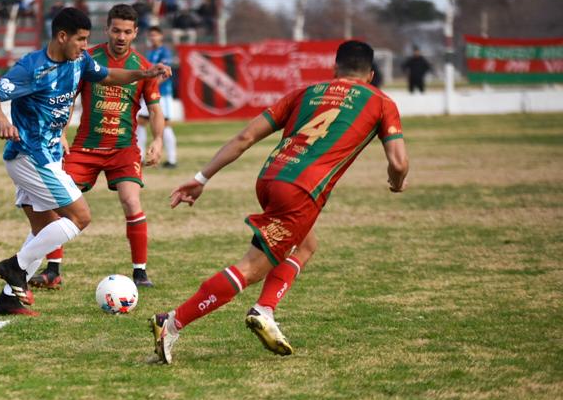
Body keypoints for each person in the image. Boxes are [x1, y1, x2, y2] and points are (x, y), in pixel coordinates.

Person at [150, 40, 409, 364]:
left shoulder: (306, 92)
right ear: (370, 75)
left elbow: (246, 137)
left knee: (305, 245)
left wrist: (202, 178)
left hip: (270, 178)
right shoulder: (381, 101)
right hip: (302, 191)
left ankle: (265, 310)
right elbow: (398, 163)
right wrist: (396, 184)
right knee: (253, 267)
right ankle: (172, 322)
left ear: (334, 69)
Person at [0, 7, 170, 317]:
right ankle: (14, 267)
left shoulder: (79, 61)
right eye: (80, 40)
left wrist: (143, 74)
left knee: (45, 230)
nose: (85, 46)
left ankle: (8, 298)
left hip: (49, 156)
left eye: (87, 40)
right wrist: (1, 119)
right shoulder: (32, 67)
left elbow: (108, 75)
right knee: (80, 216)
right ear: (62, 36)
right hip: (31, 156)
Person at [29, 4, 164, 291]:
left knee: (131, 201)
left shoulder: (142, 67)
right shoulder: (87, 59)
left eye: (127, 32)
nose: (121, 36)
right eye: (116, 30)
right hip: (85, 148)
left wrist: (158, 140)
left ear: (135, 33)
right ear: (107, 30)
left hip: (123, 149)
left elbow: (155, 110)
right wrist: (62, 134)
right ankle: (53, 271)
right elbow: (66, 99)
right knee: (57, 201)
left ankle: (140, 272)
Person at [137, 25, 178, 168]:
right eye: (150, 35)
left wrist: (150, 87)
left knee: (165, 124)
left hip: (163, 94)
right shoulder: (149, 53)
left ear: (161, 36)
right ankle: (140, 157)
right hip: (150, 93)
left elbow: (165, 74)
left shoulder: (165, 52)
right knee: (141, 122)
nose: (152, 38)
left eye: (155, 35)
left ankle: (172, 160)